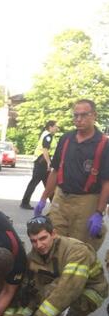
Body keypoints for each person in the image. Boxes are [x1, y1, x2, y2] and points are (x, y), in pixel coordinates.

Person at [7, 215, 108, 316]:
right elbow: (29, 290)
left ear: (53, 234)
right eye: (34, 241)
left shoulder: (77, 251)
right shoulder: (34, 257)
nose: (39, 245)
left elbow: (68, 290)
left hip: (89, 290)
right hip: (57, 287)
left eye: (43, 238)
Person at [35, 99, 109, 252]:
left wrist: (98, 213)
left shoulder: (104, 144)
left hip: (86, 201)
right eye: (75, 115)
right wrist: (43, 199)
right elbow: (55, 171)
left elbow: (106, 182)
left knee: (78, 250)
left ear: (94, 115)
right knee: (51, 245)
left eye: (83, 115)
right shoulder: (66, 139)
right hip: (61, 198)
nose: (79, 119)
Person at [20, 120, 59, 210]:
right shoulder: (48, 136)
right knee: (35, 182)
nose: (57, 128)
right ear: (50, 127)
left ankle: (54, 203)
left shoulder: (48, 135)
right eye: (55, 126)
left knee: (49, 183)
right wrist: (49, 162)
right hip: (42, 162)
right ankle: (25, 202)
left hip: (43, 161)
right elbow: (45, 150)